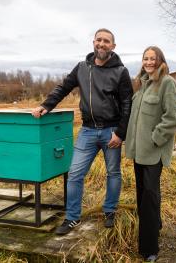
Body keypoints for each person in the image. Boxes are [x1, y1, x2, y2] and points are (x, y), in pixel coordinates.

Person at [32, 28, 133, 235]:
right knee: (75, 174)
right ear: (93, 42)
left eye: (106, 41)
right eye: (99, 40)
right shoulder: (81, 68)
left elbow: (127, 104)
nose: (102, 44)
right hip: (87, 131)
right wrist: (46, 105)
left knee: (113, 172)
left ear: (113, 46)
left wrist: (121, 133)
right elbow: (63, 87)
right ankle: (72, 218)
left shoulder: (121, 72)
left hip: (111, 130)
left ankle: (110, 211)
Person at [125, 46, 176, 262]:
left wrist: (156, 139)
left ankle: (149, 249)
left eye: (152, 59)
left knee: (148, 197)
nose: (148, 62)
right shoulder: (142, 84)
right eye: (145, 59)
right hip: (139, 152)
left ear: (160, 61)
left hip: (153, 152)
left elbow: (172, 118)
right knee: (144, 194)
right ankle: (155, 226)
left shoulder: (167, 82)